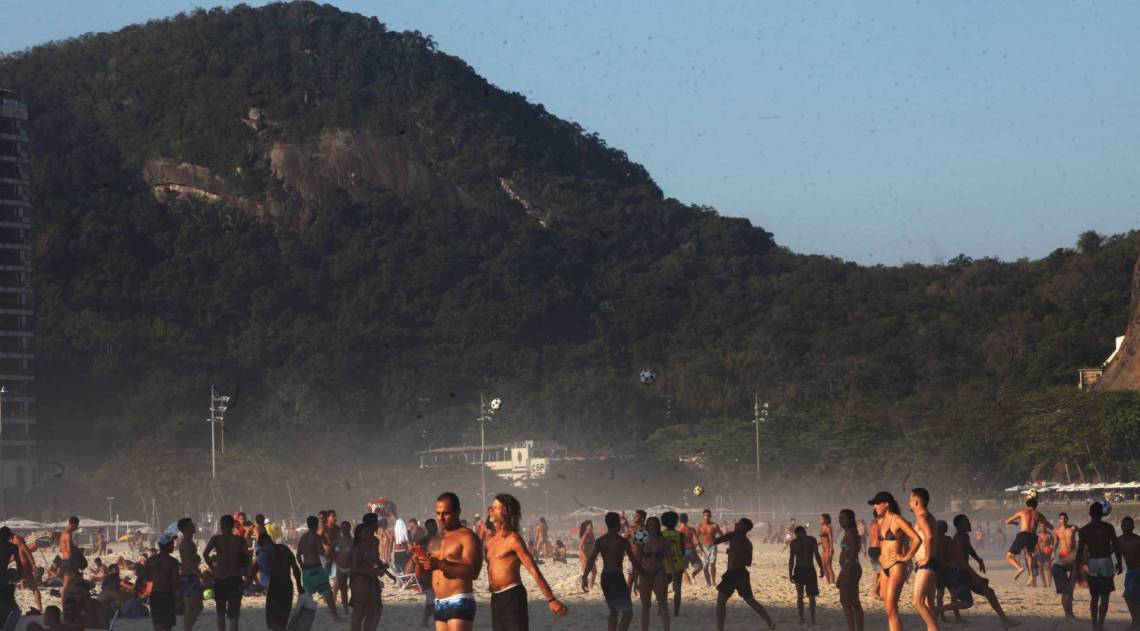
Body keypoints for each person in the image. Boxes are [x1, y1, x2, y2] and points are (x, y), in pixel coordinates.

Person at [484, 494, 567, 631]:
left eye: (495, 508)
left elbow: (533, 569)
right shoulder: (491, 541)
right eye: (491, 508)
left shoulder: (513, 539)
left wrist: (551, 599)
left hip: (512, 595)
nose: (490, 511)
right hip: (495, 598)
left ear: (507, 511)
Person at [936, 515, 1019, 629]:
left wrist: (979, 560)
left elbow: (969, 549)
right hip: (960, 573)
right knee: (967, 602)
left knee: (988, 591)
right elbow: (961, 561)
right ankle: (939, 609)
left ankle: (1005, 620)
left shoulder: (964, 536)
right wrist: (974, 575)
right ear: (960, 525)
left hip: (964, 572)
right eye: (967, 523)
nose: (970, 524)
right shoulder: (958, 540)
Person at [416, 492, 483, 631]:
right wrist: (418, 562)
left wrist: (440, 564)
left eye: (446, 513)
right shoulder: (435, 540)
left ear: (458, 512)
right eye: (438, 513)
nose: (441, 518)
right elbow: (423, 576)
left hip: (459, 599)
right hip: (439, 602)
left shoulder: (467, 537)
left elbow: (473, 572)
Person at [870, 491, 922, 631]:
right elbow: (883, 544)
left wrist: (905, 557)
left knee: (891, 608)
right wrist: (881, 557)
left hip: (896, 566)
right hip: (884, 566)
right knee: (888, 608)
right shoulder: (881, 521)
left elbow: (917, 539)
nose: (875, 507)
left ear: (886, 504)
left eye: (877, 504)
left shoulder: (897, 519)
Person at [583, 512, 642, 631]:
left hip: (605, 577)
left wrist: (585, 577)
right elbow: (633, 560)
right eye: (619, 522)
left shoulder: (600, 540)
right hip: (617, 577)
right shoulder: (622, 541)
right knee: (627, 613)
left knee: (614, 611)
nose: (621, 525)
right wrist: (642, 574)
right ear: (616, 524)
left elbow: (591, 559)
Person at [714, 518, 774, 631]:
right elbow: (748, 562)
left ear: (743, 527)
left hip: (732, 573)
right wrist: (733, 552)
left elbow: (715, 541)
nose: (736, 523)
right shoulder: (748, 543)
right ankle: (770, 622)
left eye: (739, 523)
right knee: (750, 600)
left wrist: (714, 529)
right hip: (742, 573)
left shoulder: (733, 535)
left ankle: (719, 628)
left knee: (721, 601)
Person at [1076, 501, 1121, 631]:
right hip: (1106, 561)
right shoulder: (1108, 527)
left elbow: (1080, 551)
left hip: (1093, 562)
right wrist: (1118, 562)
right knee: (1105, 596)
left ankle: (1094, 625)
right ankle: (1100, 625)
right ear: (1102, 513)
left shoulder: (1084, 530)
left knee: (1094, 597)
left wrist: (1078, 568)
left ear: (1090, 514)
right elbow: (1116, 546)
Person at [203, 514, 250, 631]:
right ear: (233, 526)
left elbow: (205, 554)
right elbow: (248, 558)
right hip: (235, 578)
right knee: (234, 615)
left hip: (220, 578)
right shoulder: (240, 540)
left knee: (220, 612)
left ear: (221, 526)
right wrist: (244, 571)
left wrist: (213, 569)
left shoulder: (216, 539)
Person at [297, 515, 343, 622]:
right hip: (316, 570)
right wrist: (332, 550)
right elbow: (322, 553)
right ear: (316, 524)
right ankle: (335, 617)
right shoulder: (316, 537)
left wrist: (302, 565)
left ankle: (301, 618)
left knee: (307, 596)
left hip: (306, 571)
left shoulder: (303, 538)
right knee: (327, 592)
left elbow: (298, 555)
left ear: (308, 525)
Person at [907, 488, 941, 631]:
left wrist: (926, 558)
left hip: (926, 564)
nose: (909, 502)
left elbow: (929, 536)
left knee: (917, 602)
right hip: (932, 563)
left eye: (910, 500)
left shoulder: (922, 516)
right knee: (928, 603)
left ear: (915, 501)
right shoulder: (928, 516)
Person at [1004, 496, 1051, 583]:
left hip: (1023, 535)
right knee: (1028, 554)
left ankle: (1019, 568)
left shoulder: (1022, 512)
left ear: (1026, 504)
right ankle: (1031, 576)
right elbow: (1047, 524)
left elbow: (1006, 521)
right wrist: (1054, 529)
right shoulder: (1039, 514)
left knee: (1009, 556)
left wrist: (1014, 523)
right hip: (1033, 536)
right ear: (1036, 505)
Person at [636, 516, 671, 631]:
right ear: (647, 526)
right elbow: (637, 559)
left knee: (663, 605)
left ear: (659, 526)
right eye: (650, 525)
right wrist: (633, 578)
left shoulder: (664, 541)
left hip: (659, 573)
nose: (653, 527)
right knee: (645, 606)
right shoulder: (641, 538)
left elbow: (670, 560)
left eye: (655, 525)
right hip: (645, 573)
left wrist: (675, 577)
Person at [350, 516, 384, 631]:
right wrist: (373, 571)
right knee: (359, 612)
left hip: (371, 580)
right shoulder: (358, 548)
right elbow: (354, 568)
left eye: (368, 532)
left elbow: (375, 560)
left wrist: (384, 569)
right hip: (360, 581)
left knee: (373, 611)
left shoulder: (373, 542)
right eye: (365, 532)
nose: (368, 534)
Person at [262, 532, 301, 631]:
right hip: (287, 586)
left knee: (272, 619)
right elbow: (295, 568)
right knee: (283, 618)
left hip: (275, 586)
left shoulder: (266, 551)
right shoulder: (285, 549)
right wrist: (299, 585)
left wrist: (247, 583)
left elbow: (255, 568)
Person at [146, 533, 181, 631]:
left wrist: (148, 594)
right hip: (167, 594)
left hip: (154, 594)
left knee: (157, 624)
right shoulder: (173, 562)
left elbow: (147, 579)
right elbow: (175, 581)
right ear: (165, 545)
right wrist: (177, 596)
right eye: (171, 543)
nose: (173, 545)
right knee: (167, 625)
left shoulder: (151, 560)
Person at [1048, 511, 1079, 620]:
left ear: (1067, 519)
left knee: (1073, 577)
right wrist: (1052, 553)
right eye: (1061, 518)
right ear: (1059, 520)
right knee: (1064, 579)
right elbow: (1056, 543)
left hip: (1072, 555)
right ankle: (1067, 596)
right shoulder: (1057, 531)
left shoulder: (1073, 528)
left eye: (1065, 518)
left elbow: (1083, 535)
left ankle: (1070, 594)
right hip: (1062, 554)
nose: (1063, 520)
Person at [788, 525, 821, 624]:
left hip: (799, 569)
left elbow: (791, 559)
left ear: (796, 533)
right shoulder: (811, 540)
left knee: (800, 596)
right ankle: (812, 619)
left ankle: (802, 618)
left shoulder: (794, 543)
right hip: (809, 569)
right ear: (804, 532)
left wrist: (790, 573)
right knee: (811, 596)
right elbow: (817, 555)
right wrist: (821, 568)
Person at [837, 509, 864, 631]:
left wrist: (846, 573)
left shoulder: (852, 533)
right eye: (839, 518)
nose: (840, 520)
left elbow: (853, 553)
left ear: (850, 519)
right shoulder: (848, 532)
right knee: (853, 602)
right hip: (848, 567)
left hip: (850, 567)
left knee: (847, 602)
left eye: (843, 518)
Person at [177, 517, 204, 631]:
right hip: (189, 577)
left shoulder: (189, 541)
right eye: (191, 525)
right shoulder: (186, 543)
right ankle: (187, 628)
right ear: (185, 528)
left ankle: (188, 628)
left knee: (198, 606)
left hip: (191, 576)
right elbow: (188, 563)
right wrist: (199, 575)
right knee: (191, 606)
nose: (193, 526)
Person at [415, 519, 441, 628]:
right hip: (425, 574)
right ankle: (426, 622)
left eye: (434, 525)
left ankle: (427, 622)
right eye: (431, 526)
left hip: (437, 573)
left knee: (435, 599)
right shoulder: (422, 542)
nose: (433, 528)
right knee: (431, 599)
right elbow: (416, 558)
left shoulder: (441, 539)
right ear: (427, 528)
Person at [659, 512, 686, 617]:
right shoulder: (679, 535)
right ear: (676, 522)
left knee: (663, 589)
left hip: (664, 566)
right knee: (678, 590)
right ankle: (676, 612)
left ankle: (661, 610)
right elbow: (683, 552)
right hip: (678, 565)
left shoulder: (661, 534)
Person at [1118, 516, 1140, 630]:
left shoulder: (1137, 540)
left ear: (1132, 527)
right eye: (1123, 525)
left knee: (1129, 596)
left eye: (1128, 525)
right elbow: (1112, 551)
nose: (1125, 528)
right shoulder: (1119, 540)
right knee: (1133, 598)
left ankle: (1136, 622)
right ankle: (1136, 622)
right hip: (1130, 572)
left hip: (1138, 571)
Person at [13, 529, 43, 614]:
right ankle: (40, 608)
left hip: (25, 566)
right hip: (24, 566)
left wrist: (34, 566)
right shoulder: (18, 546)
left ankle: (40, 608)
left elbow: (29, 554)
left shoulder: (21, 545)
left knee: (33, 587)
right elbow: (16, 557)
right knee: (34, 588)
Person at [0, 527, 23, 622]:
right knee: (8, 598)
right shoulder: (12, 547)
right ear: (9, 536)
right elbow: (19, 564)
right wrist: (18, 576)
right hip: (4, 575)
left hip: (4, 575)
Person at [332, 521, 353, 616]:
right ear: (341, 529)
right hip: (340, 568)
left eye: (346, 527)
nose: (344, 529)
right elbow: (331, 554)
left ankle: (353, 604)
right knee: (343, 590)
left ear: (349, 528)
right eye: (343, 528)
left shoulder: (353, 541)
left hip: (351, 568)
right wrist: (336, 562)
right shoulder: (337, 541)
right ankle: (345, 609)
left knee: (354, 588)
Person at [696, 509, 722, 587]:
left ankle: (713, 582)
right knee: (705, 567)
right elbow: (696, 539)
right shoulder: (700, 526)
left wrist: (716, 542)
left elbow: (722, 535)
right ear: (703, 516)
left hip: (712, 547)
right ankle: (708, 583)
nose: (706, 517)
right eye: (705, 515)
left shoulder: (714, 525)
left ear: (710, 516)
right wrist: (701, 551)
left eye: (708, 515)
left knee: (712, 564)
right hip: (703, 548)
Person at [59, 517, 81, 599]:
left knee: (69, 584)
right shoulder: (68, 534)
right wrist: (78, 549)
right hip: (69, 561)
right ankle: (63, 604)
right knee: (66, 585)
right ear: (73, 524)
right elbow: (69, 549)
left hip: (64, 560)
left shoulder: (63, 533)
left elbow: (61, 549)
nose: (77, 528)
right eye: (77, 526)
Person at [677, 514, 701, 585]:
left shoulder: (678, 531)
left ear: (679, 520)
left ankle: (689, 584)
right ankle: (693, 574)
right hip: (691, 550)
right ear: (687, 520)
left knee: (683, 569)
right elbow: (696, 541)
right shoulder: (691, 529)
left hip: (682, 551)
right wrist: (695, 548)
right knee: (699, 566)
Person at [866, 511, 882, 600]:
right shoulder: (880, 523)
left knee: (876, 571)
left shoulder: (872, 523)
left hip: (871, 548)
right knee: (883, 571)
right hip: (878, 548)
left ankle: (874, 591)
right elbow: (879, 536)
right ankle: (876, 591)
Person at [1034, 522, 1054, 589]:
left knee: (1048, 567)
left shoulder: (1049, 535)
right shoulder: (1037, 534)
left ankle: (1049, 584)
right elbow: (1035, 543)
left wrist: (1050, 549)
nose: (1043, 528)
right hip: (1039, 552)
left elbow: (1052, 544)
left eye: (1044, 526)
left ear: (1046, 527)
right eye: (1041, 526)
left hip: (1047, 553)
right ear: (1039, 527)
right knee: (1040, 567)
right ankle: (1044, 583)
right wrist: (1037, 549)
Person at [579, 521, 597, 591]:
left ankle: (591, 587)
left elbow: (593, 545)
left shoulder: (591, 533)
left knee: (594, 572)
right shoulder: (585, 534)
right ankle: (584, 587)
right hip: (585, 555)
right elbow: (580, 546)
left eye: (592, 525)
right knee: (585, 573)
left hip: (591, 554)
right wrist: (584, 555)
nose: (592, 526)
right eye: (590, 525)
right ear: (586, 526)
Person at [819, 513, 837, 585]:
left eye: (821, 519)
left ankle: (832, 582)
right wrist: (817, 543)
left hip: (828, 549)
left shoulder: (828, 528)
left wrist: (831, 549)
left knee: (828, 566)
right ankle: (828, 582)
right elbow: (823, 539)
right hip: (823, 550)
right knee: (823, 566)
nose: (820, 520)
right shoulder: (822, 528)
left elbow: (830, 539)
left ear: (825, 520)